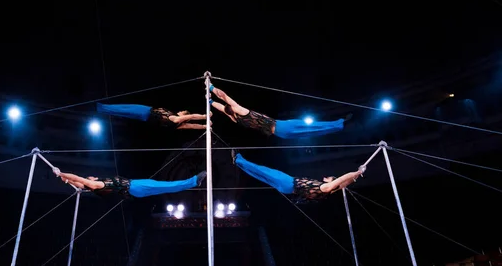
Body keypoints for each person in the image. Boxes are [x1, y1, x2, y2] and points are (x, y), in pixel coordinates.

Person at [209, 85, 350, 139]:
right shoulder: (240, 111)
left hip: (280, 134)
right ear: (233, 108)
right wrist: (211, 87)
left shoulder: (234, 118)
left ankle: (338, 126)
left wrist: (209, 101)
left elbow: (221, 108)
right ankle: (339, 123)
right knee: (311, 126)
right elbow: (225, 97)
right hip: (282, 126)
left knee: (311, 131)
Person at [231, 150, 365, 202]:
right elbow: (344, 183)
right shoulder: (328, 191)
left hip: (288, 183)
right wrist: (355, 178)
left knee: (264, 171)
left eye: (330, 177)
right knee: (262, 176)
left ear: (332, 182)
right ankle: (239, 163)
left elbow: (341, 179)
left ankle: (239, 159)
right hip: (288, 188)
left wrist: (357, 172)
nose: (327, 177)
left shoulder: (326, 188)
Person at [52, 167, 207, 199]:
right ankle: (193, 181)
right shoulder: (95, 185)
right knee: (165, 186)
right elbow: (78, 179)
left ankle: (192, 182)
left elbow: (75, 181)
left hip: (134, 187)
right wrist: (61, 173)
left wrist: (63, 178)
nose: (91, 176)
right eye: (89, 177)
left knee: (164, 187)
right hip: (134, 187)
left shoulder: (92, 186)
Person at [96, 103, 209, 130]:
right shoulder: (180, 125)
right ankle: (102, 109)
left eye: (183, 112)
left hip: (145, 112)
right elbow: (193, 125)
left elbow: (193, 117)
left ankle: (101, 107)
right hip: (145, 117)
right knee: (123, 111)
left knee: (124, 108)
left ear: (185, 116)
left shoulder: (176, 119)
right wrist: (205, 126)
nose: (181, 111)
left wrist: (205, 116)